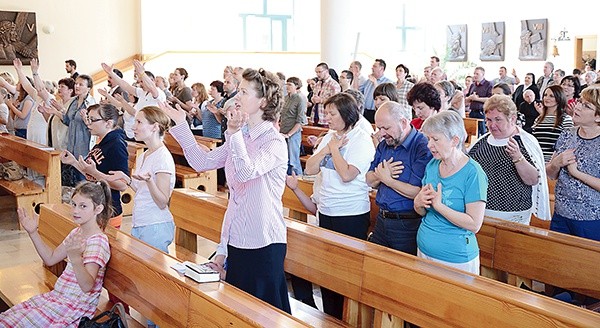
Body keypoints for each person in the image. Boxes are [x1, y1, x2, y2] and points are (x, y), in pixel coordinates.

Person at [164, 68, 291, 313]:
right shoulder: (241, 136)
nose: (237, 96)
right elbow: (201, 163)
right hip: (238, 240)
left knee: (264, 315)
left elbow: (245, 173)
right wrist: (181, 125)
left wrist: (233, 134)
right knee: (238, 313)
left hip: (264, 242)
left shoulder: (274, 142)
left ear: (263, 101)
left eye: (244, 92)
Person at [0, 181, 112, 327]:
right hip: (57, 298)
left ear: (98, 209)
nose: (75, 211)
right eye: (74, 204)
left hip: (73, 308)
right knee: (7, 319)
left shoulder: (98, 242)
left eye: (83, 206)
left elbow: (87, 286)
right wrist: (33, 233)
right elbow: (50, 258)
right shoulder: (76, 232)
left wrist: (75, 258)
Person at [304, 92, 375, 319]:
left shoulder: (361, 139)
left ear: (346, 114)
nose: (328, 118)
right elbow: (310, 169)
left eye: (332, 113)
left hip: (351, 213)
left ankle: (347, 320)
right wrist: (327, 147)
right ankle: (329, 318)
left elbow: (346, 174)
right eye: (326, 113)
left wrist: (334, 149)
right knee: (327, 272)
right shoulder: (329, 137)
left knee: (347, 275)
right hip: (326, 210)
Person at [415, 110, 487, 274]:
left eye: (435, 139)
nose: (429, 145)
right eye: (428, 139)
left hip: (456, 258)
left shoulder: (473, 173)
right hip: (424, 250)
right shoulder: (432, 165)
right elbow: (422, 211)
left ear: (454, 140)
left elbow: (474, 224)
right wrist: (417, 202)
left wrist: (440, 207)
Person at [469, 95, 551, 224]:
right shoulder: (482, 142)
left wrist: (518, 158)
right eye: (489, 120)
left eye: (498, 120)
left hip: (513, 213)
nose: (492, 125)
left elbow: (533, 179)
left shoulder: (525, 142)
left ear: (512, 119)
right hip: (480, 211)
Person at [367, 101, 432, 255]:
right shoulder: (385, 145)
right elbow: (369, 180)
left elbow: (417, 192)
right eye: (379, 128)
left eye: (386, 128)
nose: (381, 133)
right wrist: (380, 175)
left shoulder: (422, 146)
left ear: (403, 122)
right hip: (381, 219)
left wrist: (388, 180)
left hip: (407, 224)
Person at [108, 106, 175, 253]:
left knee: (153, 273)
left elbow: (162, 201)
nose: (134, 126)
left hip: (155, 224)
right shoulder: (145, 154)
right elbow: (141, 189)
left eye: (139, 122)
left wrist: (150, 181)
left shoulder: (162, 157)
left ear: (155, 127)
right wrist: (126, 178)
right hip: (141, 221)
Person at [61, 103, 129, 229]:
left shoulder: (116, 145)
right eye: (88, 119)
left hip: (109, 209)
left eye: (92, 120)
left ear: (108, 123)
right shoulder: (101, 141)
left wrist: (95, 173)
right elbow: (91, 171)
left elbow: (122, 184)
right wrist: (74, 162)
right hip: (96, 207)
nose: (88, 124)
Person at [547, 85, 600, 242]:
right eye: (579, 101)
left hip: (591, 219)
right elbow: (550, 174)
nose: (577, 107)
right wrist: (556, 163)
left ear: (598, 116)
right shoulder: (567, 134)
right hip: (561, 214)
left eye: (586, 106)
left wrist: (576, 173)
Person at [532, 85, 574, 162]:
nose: (547, 98)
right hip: (536, 160)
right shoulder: (538, 119)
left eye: (551, 96)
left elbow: (568, 144)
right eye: (545, 95)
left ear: (559, 98)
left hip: (554, 163)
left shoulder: (566, 119)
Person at [280, 77, 307, 175]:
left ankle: (299, 181)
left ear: (296, 86)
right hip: (283, 130)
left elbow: (300, 120)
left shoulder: (300, 99)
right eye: (287, 84)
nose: (287, 86)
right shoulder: (286, 98)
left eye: (290, 85)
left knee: (293, 160)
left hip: (293, 133)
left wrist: (289, 134)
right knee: (284, 159)